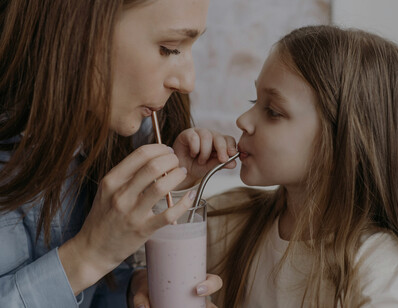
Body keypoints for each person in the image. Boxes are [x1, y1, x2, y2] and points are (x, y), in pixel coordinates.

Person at [0, 1, 236, 307]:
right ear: (80, 26)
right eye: (169, 47)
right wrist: (90, 255)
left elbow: (95, 293)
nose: (187, 82)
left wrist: (132, 287)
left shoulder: (120, 134)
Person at [204, 25, 398, 307]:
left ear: (345, 144)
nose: (243, 120)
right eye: (255, 101)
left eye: (273, 111)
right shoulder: (228, 218)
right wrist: (182, 182)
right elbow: (144, 260)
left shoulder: (379, 267)